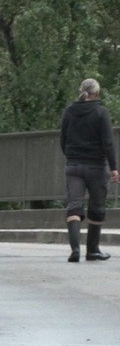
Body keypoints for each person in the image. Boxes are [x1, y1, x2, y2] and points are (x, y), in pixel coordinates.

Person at [60, 78, 119, 262]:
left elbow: (63, 139)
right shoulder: (101, 113)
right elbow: (108, 143)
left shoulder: (69, 111)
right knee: (97, 208)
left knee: (74, 207)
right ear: (97, 93)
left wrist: (72, 156)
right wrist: (114, 168)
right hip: (96, 166)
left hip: (74, 166)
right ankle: (92, 250)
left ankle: (75, 250)